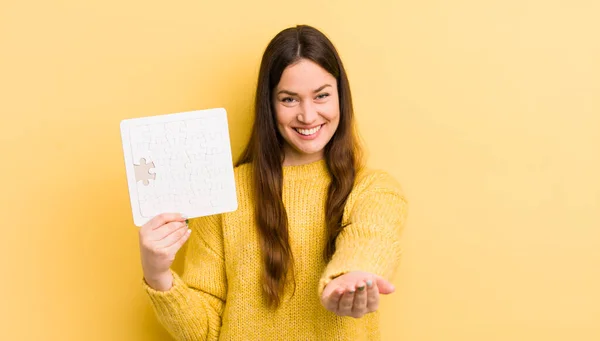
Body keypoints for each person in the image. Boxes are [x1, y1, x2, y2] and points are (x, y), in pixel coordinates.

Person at [138, 24, 408, 340]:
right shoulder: (226, 192)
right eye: (289, 99)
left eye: (321, 95)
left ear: (341, 97)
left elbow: (371, 236)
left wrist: (352, 275)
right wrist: (157, 274)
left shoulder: (374, 188)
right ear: (269, 103)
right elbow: (207, 331)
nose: (308, 116)